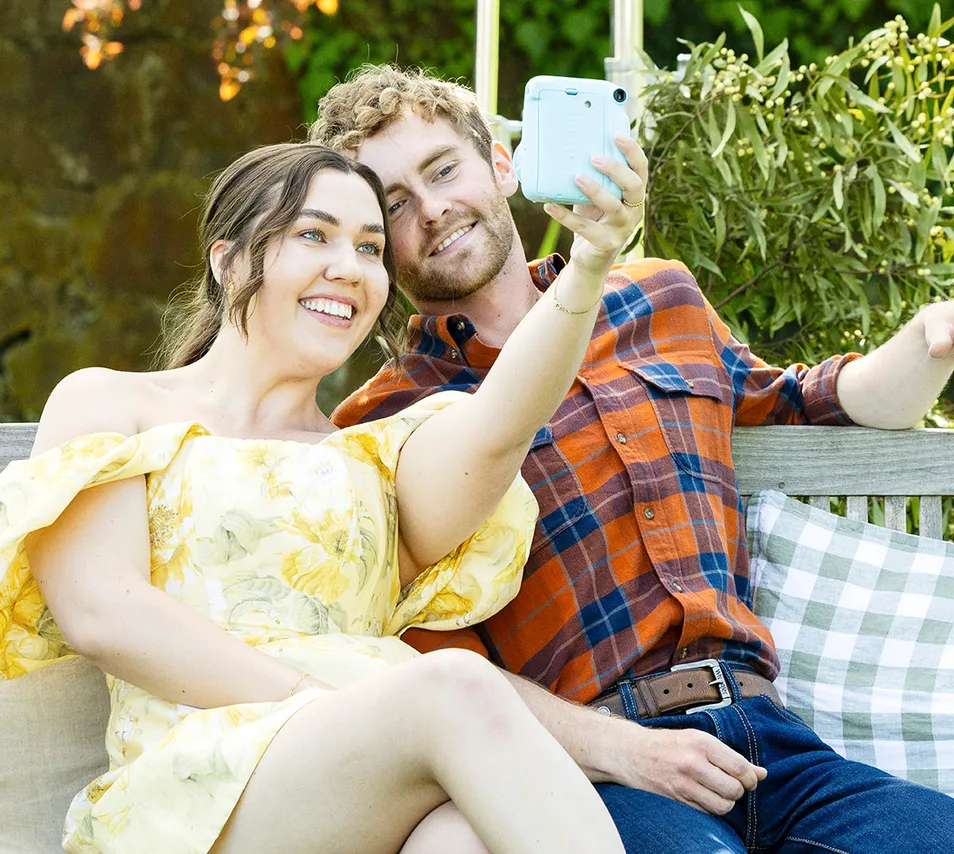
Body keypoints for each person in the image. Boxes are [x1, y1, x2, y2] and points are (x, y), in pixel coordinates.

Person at [312, 65, 954, 852]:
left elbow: (807, 399)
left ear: (501, 166)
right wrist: (621, 750)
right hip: (590, 779)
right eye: (394, 204)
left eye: (444, 169)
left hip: (773, 748)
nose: (432, 208)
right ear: (375, 245)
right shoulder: (384, 419)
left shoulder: (659, 297)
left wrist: (931, 341)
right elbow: (423, 659)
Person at [0, 141, 644, 854]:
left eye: (371, 248)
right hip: (196, 792)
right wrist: (323, 702)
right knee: (455, 686)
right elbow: (102, 611)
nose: (350, 267)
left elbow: (501, 425)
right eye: (314, 235)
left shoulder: (375, 461)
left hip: (361, 779)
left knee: (461, 836)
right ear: (228, 261)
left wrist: (590, 261)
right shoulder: (112, 404)